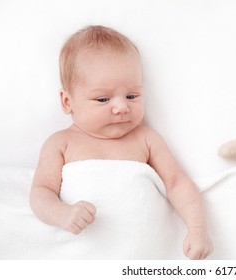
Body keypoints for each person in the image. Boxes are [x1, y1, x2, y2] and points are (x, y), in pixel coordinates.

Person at [30, 25, 213, 260]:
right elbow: (41, 193)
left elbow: (177, 183)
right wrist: (63, 214)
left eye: (131, 96)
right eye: (103, 99)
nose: (121, 107)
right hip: (82, 254)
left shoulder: (146, 139)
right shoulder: (60, 144)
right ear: (67, 102)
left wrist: (198, 230)